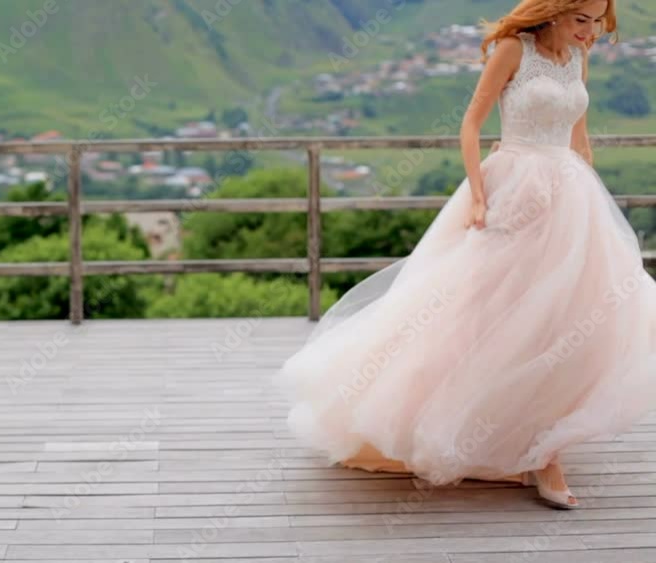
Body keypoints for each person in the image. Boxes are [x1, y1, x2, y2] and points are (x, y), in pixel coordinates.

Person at [275, 0, 654, 510]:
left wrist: (595, 205)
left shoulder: (578, 59)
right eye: (580, 20)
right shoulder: (512, 49)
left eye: (597, 23)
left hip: (570, 196)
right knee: (484, 312)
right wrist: (478, 195)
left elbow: (579, 141)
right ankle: (480, 427)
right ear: (552, 13)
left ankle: (545, 449)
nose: (590, 33)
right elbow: (472, 124)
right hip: (513, 187)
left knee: (564, 320)